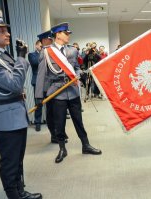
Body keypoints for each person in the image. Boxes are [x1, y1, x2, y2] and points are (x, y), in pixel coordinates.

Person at [0, 10, 42, 199]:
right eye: (1, 30)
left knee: (18, 158)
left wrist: (19, 59)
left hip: (16, 113)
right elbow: (14, 84)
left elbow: (15, 80)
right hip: (5, 117)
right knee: (9, 161)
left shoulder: (3, 55)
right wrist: (22, 57)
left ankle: (20, 191)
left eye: (6, 29)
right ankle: (14, 195)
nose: (7, 34)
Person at [35, 22, 102, 164]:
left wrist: (79, 74)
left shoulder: (72, 51)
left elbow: (76, 67)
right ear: (57, 34)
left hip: (72, 91)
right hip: (57, 92)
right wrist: (39, 96)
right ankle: (62, 149)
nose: (68, 35)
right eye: (66, 33)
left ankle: (86, 145)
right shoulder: (47, 52)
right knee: (59, 123)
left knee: (79, 120)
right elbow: (41, 75)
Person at [28, 40, 42, 131]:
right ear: (36, 45)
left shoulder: (44, 54)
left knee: (50, 102)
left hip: (46, 81)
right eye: (40, 46)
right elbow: (35, 63)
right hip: (37, 81)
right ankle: (37, 123)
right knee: (38, 103)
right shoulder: (31, 55)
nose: (42, 48)